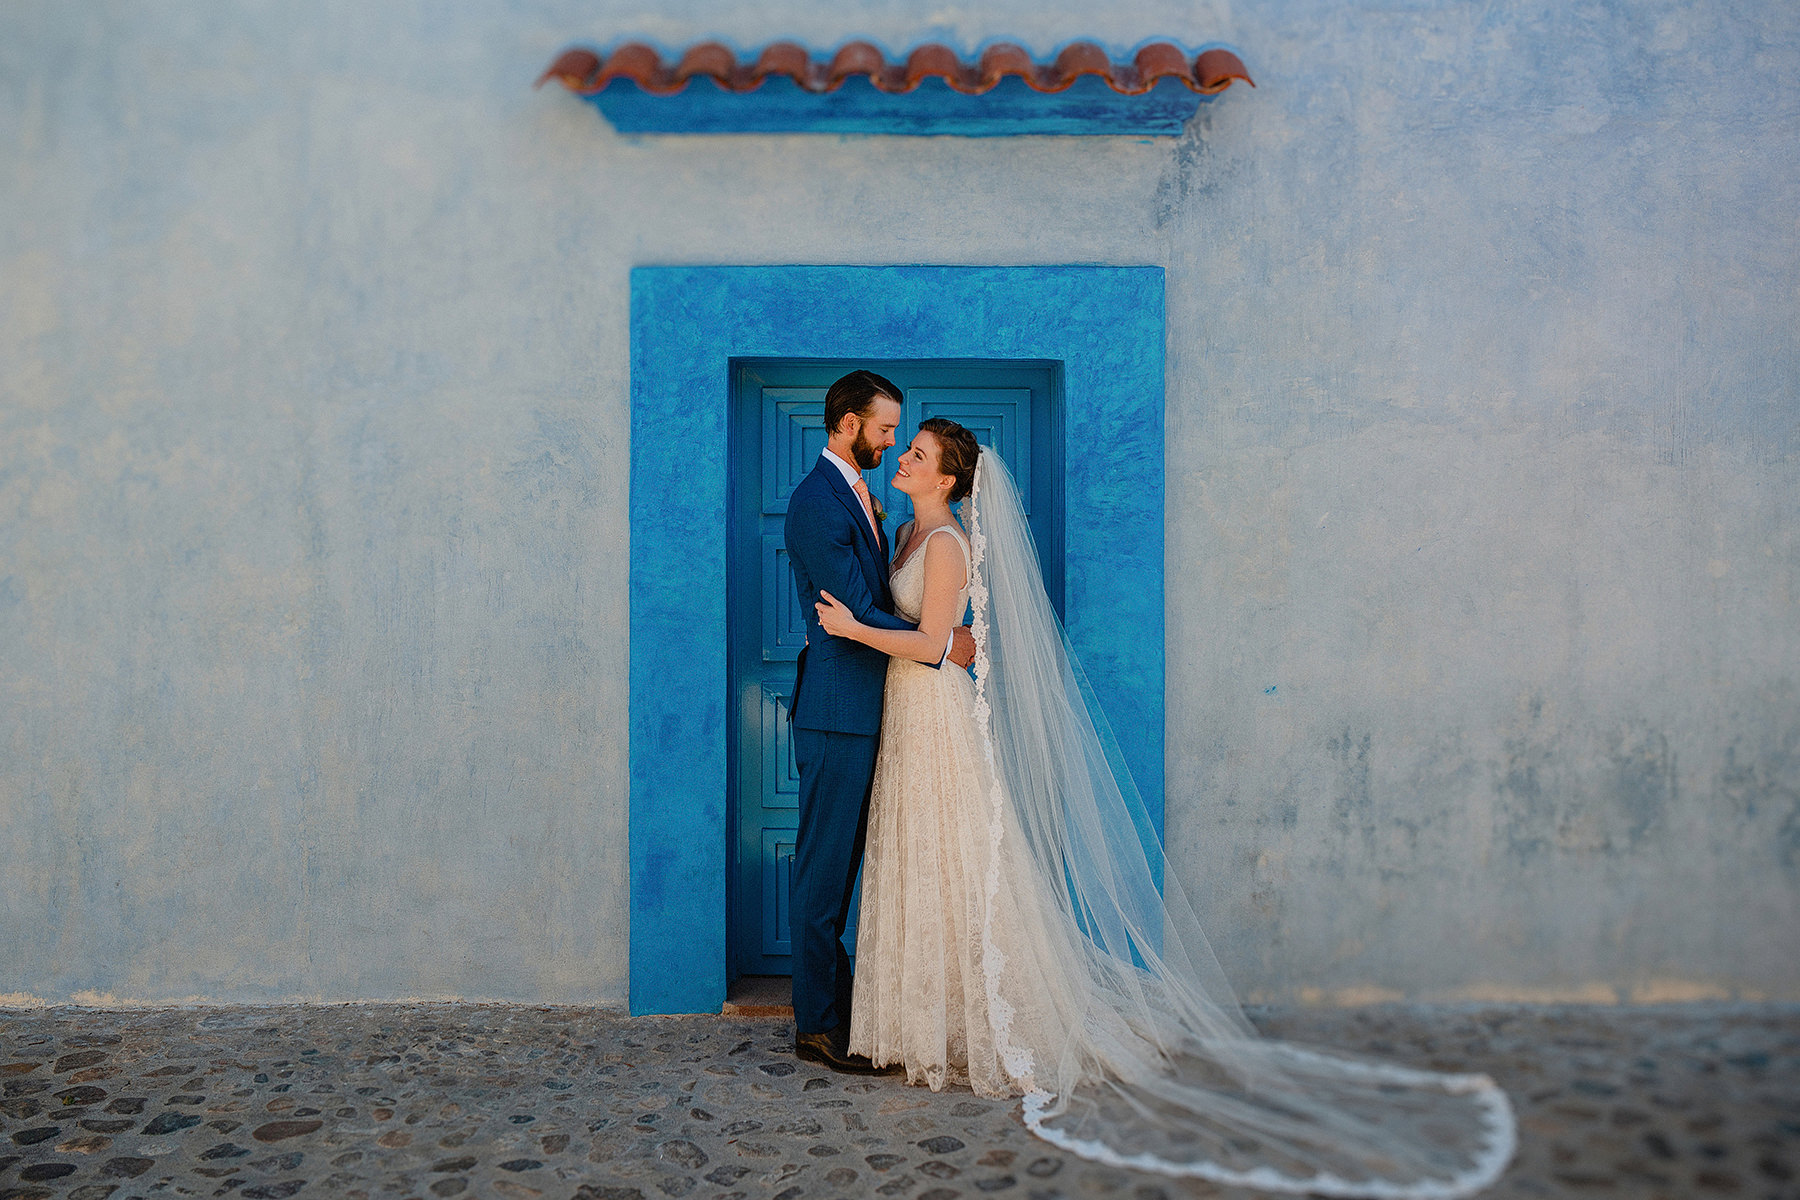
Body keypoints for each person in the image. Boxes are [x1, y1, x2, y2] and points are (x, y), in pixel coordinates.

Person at [814, 421, 1518, 1198]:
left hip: (936, 714)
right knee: (916, 854)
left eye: (917, 454)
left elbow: (942, 642)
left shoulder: (946, 543)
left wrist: (852, 628)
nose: (904, 458)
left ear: (947, 479)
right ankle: (912, 1016)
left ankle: (971, 1019)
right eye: (905, 447)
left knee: (953, 852)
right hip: (905, 716)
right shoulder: (907, 527)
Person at [781, 371, 974, 1076]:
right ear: (847, 423)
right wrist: (941, 640)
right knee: (826, 870)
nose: (894, 442)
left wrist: (939, 633)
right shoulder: (816, 504)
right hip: (838, 712)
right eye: (886, 429)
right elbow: (856, 607)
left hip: (880, 709)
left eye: (904, 436)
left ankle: (856, 1005)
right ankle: (819, 1025)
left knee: (857, 865)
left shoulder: (868, 503)